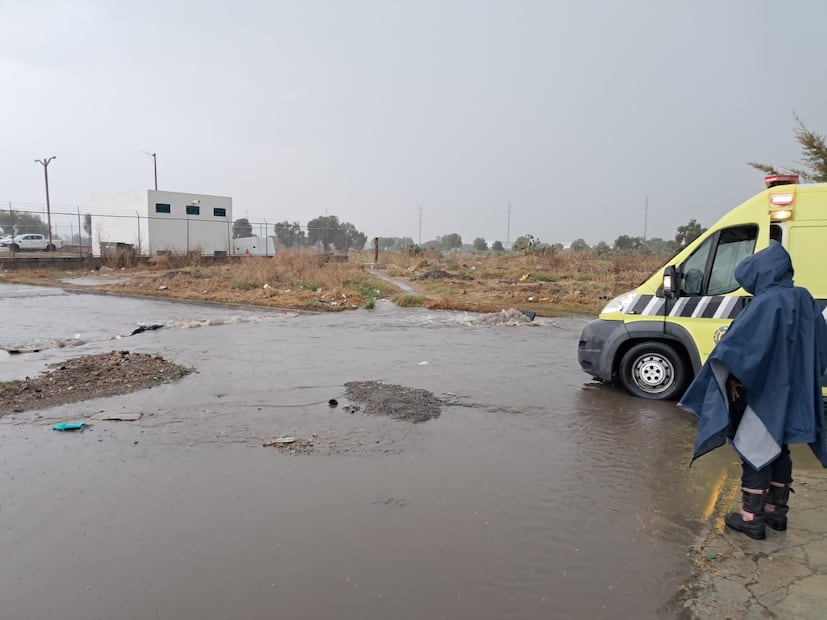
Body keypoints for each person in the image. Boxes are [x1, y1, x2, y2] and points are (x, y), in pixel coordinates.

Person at [679, 242, 827, 540]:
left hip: (765, 394)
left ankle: (752, 520)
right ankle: (777, 514)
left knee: (756, 452)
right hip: (795, 393)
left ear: (760, 274)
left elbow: (739, 348)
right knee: (781, 448)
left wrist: (728, 379)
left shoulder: (766, 303)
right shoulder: (806, 299)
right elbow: (821, 347)